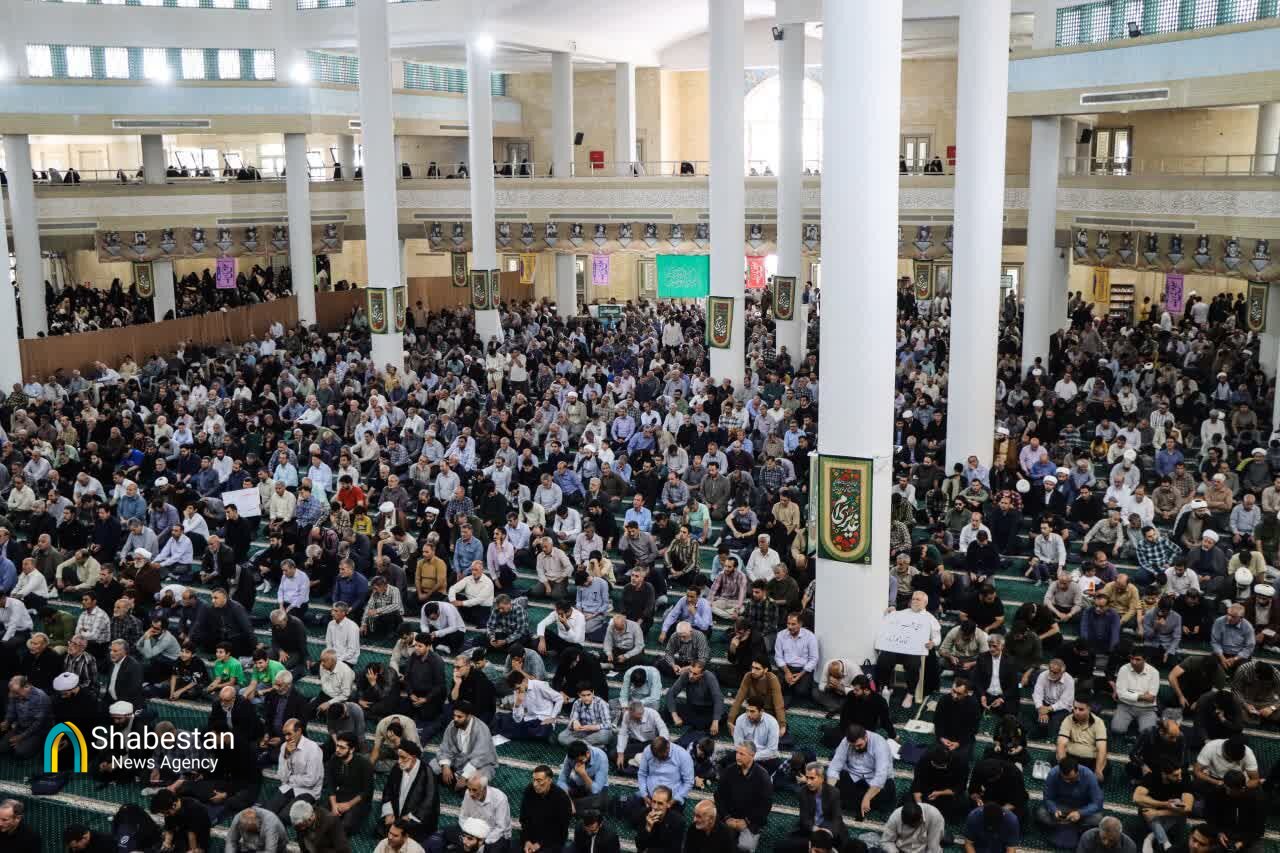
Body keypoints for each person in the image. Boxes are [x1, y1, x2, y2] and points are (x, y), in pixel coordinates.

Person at [827, 723, 896, 819]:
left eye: (859, 745)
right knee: (834, 780)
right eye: (853, 746)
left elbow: (881, 776)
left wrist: (867, 797)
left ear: (866, 737)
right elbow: (834, 767)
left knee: (887, 787)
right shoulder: (846, 742)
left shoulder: (880, 744)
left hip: (874, 781)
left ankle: (857, 803)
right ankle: (854, 803)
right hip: (854, 776)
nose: (856, 748)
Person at [380, 741, 439, 842]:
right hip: (397, 815)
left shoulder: (427, 772)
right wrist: (389, 812)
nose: (399, 761)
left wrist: (410, 817)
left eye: (403, 757)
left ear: (414, 757)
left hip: (416, 819)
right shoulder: (397, 768)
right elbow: (388, 791)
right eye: (398, 757)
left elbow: (430, 801)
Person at [1133, 759, 1194, 852]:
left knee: (1180, 806)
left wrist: (1158, 813)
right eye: (1175, 775)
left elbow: (1188, 808)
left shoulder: (1185, 778)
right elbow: (1137, 798)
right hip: (1154, 811)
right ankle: (1166, 844)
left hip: (1172, 813)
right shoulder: (1152, 776)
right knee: (1145, 808)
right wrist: (1165, 804)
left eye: (1180, 773)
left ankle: (1151, 837)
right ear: (1164, 774)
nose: (1180, 777)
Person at [1034, 757, 1104, 837]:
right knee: (1041, 813)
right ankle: (1072, 827)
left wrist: (1080, 813)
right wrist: (1054, 810)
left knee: (1097, 819)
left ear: (1078, 772)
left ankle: (1062, 826)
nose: (1068, 782)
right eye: (1065, 779)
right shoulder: (1053, 774)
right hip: (1061, 806)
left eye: (1071, 779)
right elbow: (1048, 798)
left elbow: (1097, 803)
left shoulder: (1088, 775)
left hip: (1082, 807)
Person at [519, 765, 573, 853]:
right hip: (531, 837)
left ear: (549, 780)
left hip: (552, 840)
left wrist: (539, 844)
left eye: (539, 780)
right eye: (534, 780)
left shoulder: (561, 798)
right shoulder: (529, 791)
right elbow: (524, 819)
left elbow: (560, 828)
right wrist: (527, 841)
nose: (535, 784)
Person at [557, 738, 611, 814]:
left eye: (580, 760)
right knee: (558, 791)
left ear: (587, 753)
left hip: (595, 787)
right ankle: (573, 807)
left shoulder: (601, 757)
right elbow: (561, 781)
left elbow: (596, 789)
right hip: (578, 784)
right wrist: (568, 799)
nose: (578, 763)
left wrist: (583, 774)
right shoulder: (571, 757)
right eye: (575, 761)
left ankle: (567, 806)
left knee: (601, 801)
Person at [878, 801, 945, 853]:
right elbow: (886, 841)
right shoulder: (895, 817)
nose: (912, 828)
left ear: (921, 818)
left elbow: (933, 848)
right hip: (900, 849)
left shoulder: (935, 817)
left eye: (914, 825)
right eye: (910, 826)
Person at [226, 806, 290, 853]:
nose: (251, 833)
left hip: (276, 848)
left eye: (252, 830)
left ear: (259, 823)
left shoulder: (271, 823)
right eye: (248, 831)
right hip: (250, 847)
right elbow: (231, 841)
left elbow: (270, 851)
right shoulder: (238, 818)